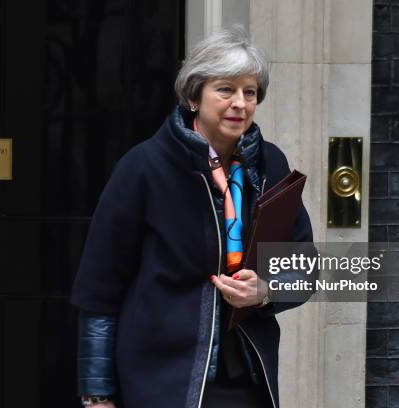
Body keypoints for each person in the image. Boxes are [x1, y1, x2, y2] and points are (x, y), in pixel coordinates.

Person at [71, 26, 316, 408]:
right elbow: (99, 291)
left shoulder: (271, 163)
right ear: (193, 96)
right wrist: (97, 395)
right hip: (162, 379)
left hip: (247, 378)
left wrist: (265, 291)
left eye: (249, 93)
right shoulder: (144, 167)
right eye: (225, 89)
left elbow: (304, 265)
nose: (239, 103)